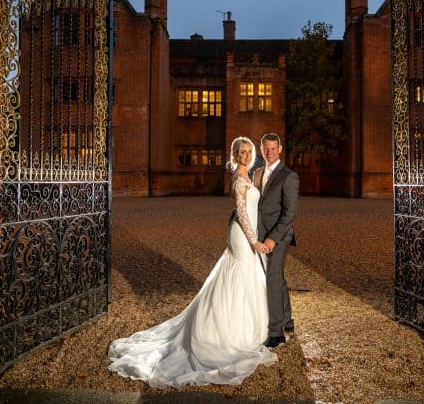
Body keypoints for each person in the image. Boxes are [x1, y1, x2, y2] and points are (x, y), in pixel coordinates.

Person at [107, 137, 277, 388]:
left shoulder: (250, 176)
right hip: (243, 235)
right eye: (241, 152)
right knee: (238, 273)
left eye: (248, 152)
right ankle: (228, 332)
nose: (245, 155)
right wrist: (254, 241)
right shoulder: (240, 179)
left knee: (247, 275)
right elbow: (241, 214)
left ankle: (251, 327)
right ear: (234, 154)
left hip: (249, 232)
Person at [252, 133, 299, 348]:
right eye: (266, 149)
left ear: (280, 149)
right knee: (277, 277)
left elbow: (289, 213)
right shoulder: (258, 173)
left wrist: (272, 238)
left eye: (273, 148)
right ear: (261, 150)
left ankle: (276, 332)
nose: (269, 152)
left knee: (272, 278)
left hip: (278, 235)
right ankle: (288, 320)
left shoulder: (289, 176)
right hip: (261, 233)